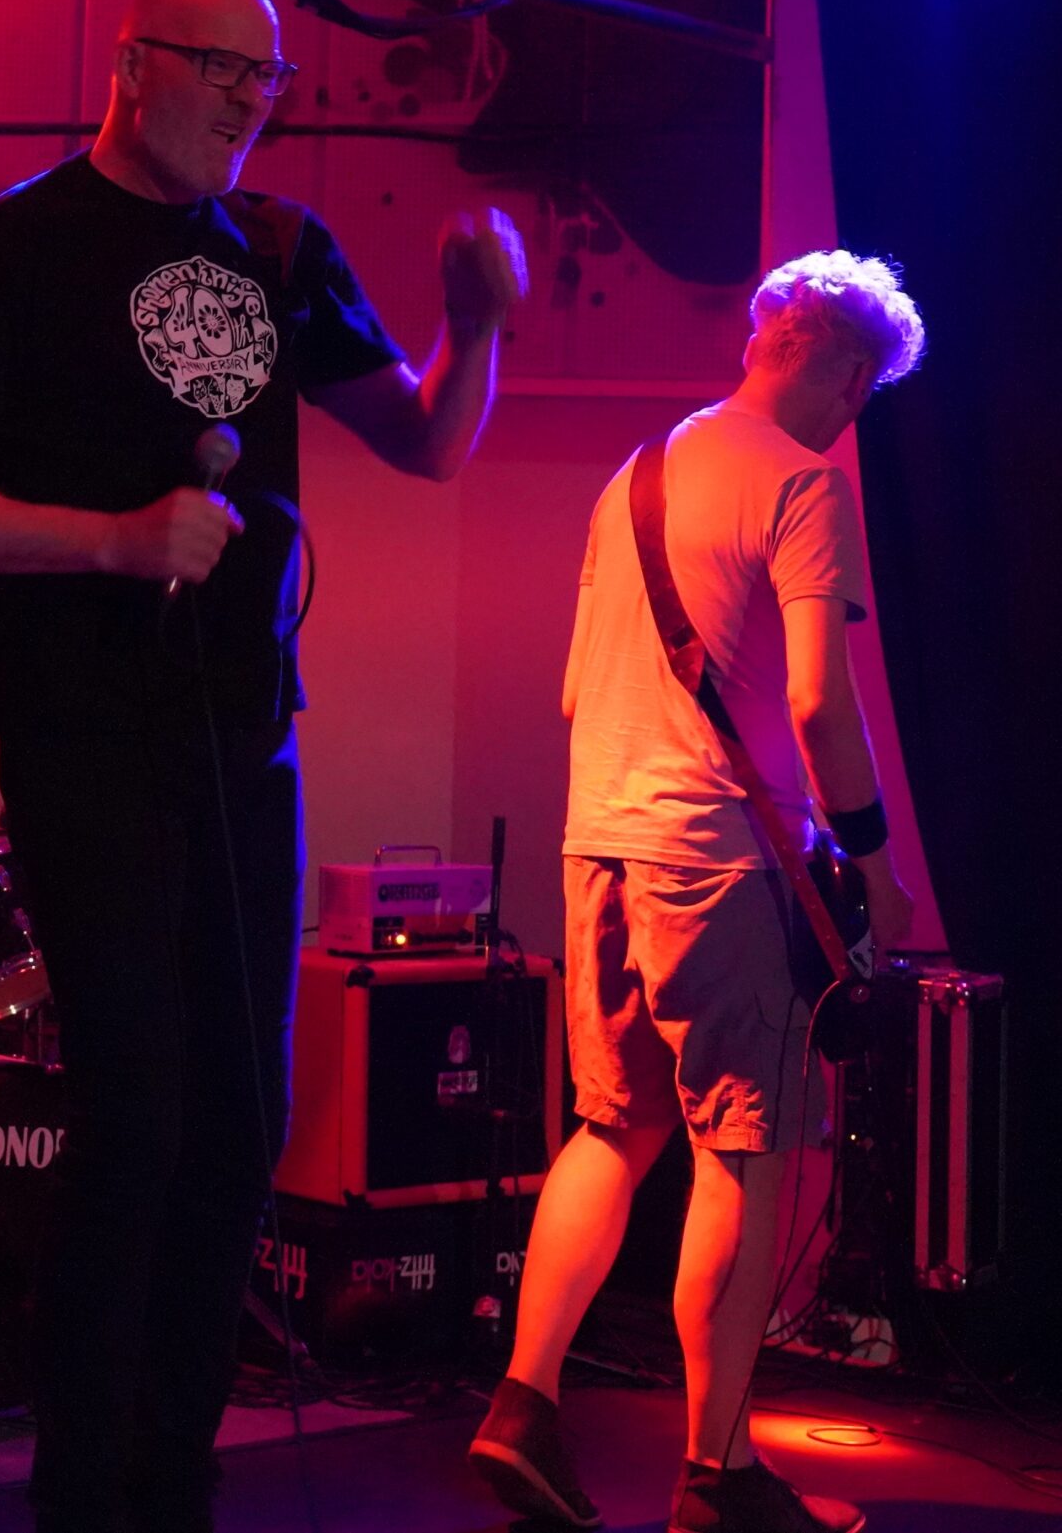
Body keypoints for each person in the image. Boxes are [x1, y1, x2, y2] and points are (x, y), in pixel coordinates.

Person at [0, 0, 526, 1533]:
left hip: (243, 740)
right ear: (132, 65)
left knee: (239, 1122)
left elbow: (428, 439)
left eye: (267, 78)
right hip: (87, 736)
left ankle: (172, 1480)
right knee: (139, 1114)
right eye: (223, 69)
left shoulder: (281, 249)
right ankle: (85, 1492)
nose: (249, 102)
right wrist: (109, 539)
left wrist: (475, 323)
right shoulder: (8, 250)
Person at [468, 252, 923, 1533]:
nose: (855, 414)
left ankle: (519, 1408)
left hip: (598, 842)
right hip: (715, 859)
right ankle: (718, 1478)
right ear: (846, 372)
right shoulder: (802, 484)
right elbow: (818, 703)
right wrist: (875, 870)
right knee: (744, 1151)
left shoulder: (635, 475)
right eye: (864, 391)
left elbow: (575, 692)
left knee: (609, 1128)